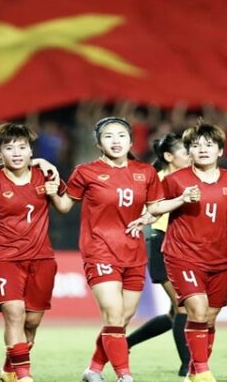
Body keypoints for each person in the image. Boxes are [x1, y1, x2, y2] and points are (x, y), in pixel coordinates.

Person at [139, 119, 227, 382]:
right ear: (189, 150)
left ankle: (194, 369)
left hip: (221, 258)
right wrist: (180, 199)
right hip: (182, 255)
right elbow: (154, 208)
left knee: (209, 317)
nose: (203, 149)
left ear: (220, 150)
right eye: (196, 145)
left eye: (209, 144)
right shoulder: (175, 180)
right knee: (197, 310)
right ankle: (202, 371)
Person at [45, 117, 167, 382]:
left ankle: (93, 369)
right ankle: (125, 376)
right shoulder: (85, 172)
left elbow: (155, 208)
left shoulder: (145, 172)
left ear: (131, 142)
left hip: (134, 252)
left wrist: (150, 216)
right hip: (99, 250)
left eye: (121, 135)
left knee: (122, 318)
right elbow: (64, 206)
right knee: (113, 314)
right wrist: (53, 192)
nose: (116, 141)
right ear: (99, 144)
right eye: (108, 136)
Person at [0, 123, 66, 382]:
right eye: (9, 148)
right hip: (2, 259)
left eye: (22, 147)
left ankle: (9, 370)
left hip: (41, 258)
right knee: (14, 313)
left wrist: (54, 191)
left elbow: (65, 206)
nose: (16, 153)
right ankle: (24, 376)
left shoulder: (45, 175)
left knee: (32, 322)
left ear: (31, 151)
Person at [125, 133, 191, 376]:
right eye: (185, 152)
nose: (190, 155)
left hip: (181, 246)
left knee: (175, 312)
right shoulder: (160, 180)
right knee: (183, 308)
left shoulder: (186, 179)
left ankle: (125, 343)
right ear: (169, 157)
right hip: (163, 244)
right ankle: (188, 367)